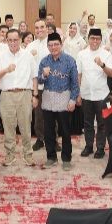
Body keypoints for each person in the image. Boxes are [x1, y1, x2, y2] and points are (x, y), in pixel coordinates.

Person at [0, 29, 38, 167]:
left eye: (15, 40)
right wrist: (6, 70)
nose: (13, 43)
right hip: (6, 95)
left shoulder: (27, 55)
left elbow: (34, 76)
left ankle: (28, 154)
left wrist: (35, 95)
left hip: (24, 94)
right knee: (8, 126)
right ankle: (10, 154)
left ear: (20, 40)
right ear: (6, 40)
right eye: (10, 40)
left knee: (26, 126)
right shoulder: (0, 56)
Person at [37, 32, 79, 171]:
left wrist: (73, 99)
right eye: (50, 45)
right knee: (49, 131)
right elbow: (39, 80)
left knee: (65, 131)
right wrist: (44, 75)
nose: (53, 47)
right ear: (47, 46)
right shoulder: (44, 61)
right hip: (48, 98)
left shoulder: (70, 60)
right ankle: (51, 157)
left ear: (61, 45)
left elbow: (75, 83)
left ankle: (66, 158)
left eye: (56, 44)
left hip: (64, 98)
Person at [76, 28, 112, 159]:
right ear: (88, 39)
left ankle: (100, 148)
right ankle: (88, 146)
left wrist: (102, 65)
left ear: (101, 40)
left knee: (102, 123)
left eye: (98, 39)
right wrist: (78, 93)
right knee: (87, 123)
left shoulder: (106, 54)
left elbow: (111, 73)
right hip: (86, 94)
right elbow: (79, 74)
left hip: (102, 94)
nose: (95, 41)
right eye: (92, 38)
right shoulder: (81, 54)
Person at [28, 19, 51, 151]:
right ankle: (40, 139)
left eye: (42, 27)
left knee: (52, 115)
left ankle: (52, 139)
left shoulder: (52, 43)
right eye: (36, 28)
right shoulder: (31, 46)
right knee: (38, 115)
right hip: (36, 86)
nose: (39, 30)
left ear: (47, 28)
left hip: (51, 86)